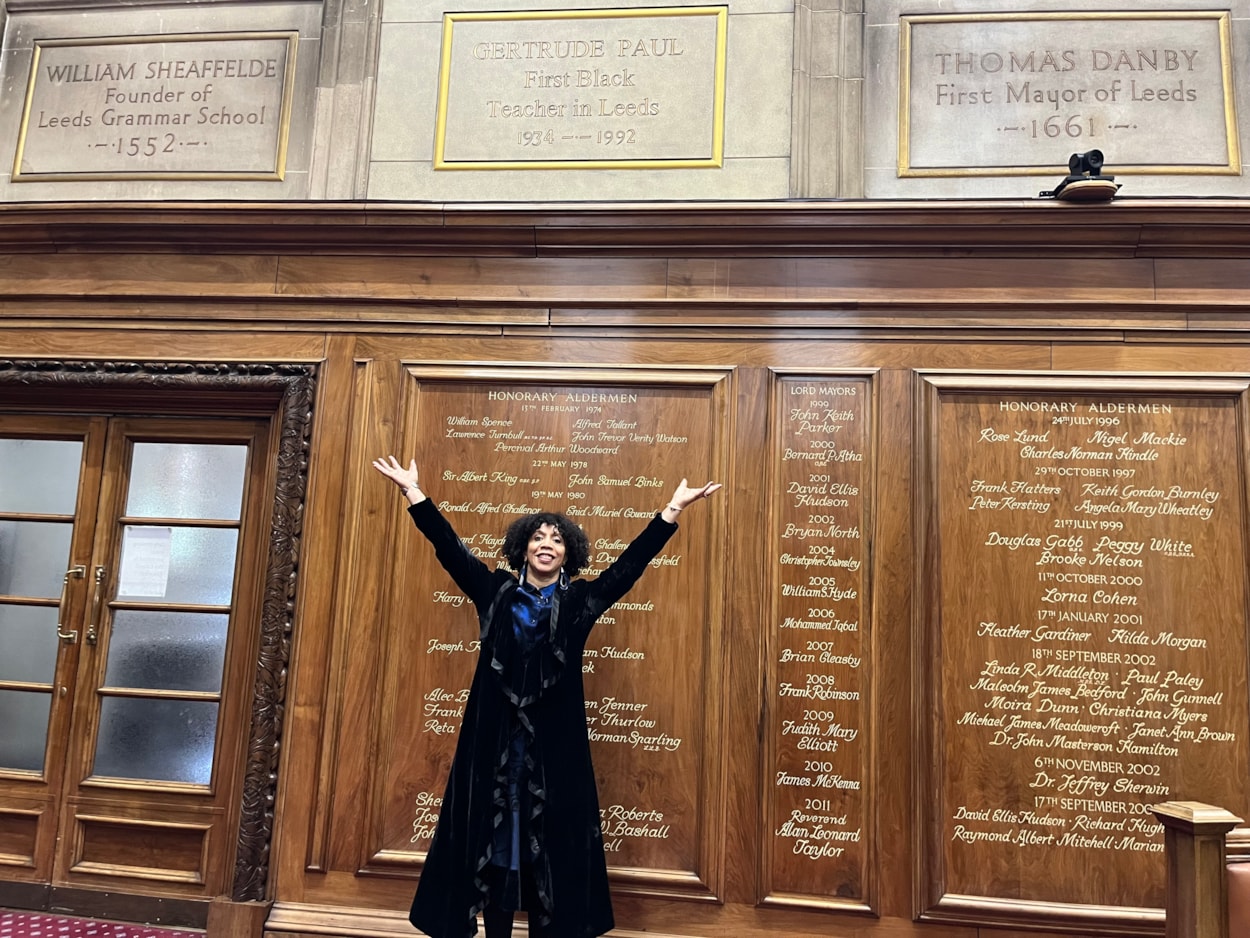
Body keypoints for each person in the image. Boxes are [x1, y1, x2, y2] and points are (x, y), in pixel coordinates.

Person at [371, 455, 720, 938]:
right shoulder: (493, 591)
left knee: (548, 856)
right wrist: (414, 494)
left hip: (553, 756)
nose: (547, 544)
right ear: (523, 549)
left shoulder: (579, 603)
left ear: (567, 554)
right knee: (492, 850)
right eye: (538, 537)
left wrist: (671, 512)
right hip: (493, 750)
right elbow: (450, 550)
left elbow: (627, 570)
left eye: (556, 539)